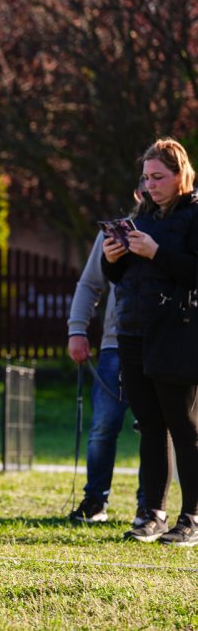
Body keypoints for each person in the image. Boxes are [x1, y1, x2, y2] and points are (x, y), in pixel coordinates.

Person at [102, 138, 198, 546]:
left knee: (184, 427)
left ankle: (192, 517)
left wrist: (156, 252)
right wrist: (111, 259)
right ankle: (152, 513)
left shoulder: (194, 215)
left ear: (180, 175)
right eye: (145, 178)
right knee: (150, 426)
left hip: (176, 332)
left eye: (158, 177)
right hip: (132, 330)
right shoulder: (141, 216)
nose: (150, 185)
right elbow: (122, 277)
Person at [66, 225, 146, 525]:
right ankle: (95, 500)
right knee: (103, 426)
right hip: (116, 344)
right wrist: (77, 329)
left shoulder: (180, 226)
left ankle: (150, 506)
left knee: (154, 430)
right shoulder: (115, 231)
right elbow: (89, 284)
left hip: (162, 346)